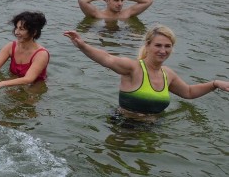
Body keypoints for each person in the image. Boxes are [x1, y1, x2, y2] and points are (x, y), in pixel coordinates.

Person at [63, 24, 228, 116]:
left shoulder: (168, 74)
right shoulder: (133, 68)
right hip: (124, 127)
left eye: (167, 46)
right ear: (147, 46)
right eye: (158, 45)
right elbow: (107, 59)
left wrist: (214, 84)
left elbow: (189, 92)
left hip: (153, 128)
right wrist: (82, 45)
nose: (162, 50)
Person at [0, 11, 49, 90]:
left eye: (21, 29)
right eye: (16, 28)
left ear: (34, 32)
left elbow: (29, 79)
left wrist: (0, 84)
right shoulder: (10, 46)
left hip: (34, 87)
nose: (16, 32)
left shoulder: (41, 54)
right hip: (12, 82)